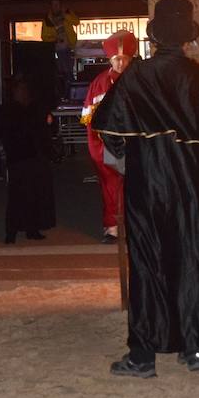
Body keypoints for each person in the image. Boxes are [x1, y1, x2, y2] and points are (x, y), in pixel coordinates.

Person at [92, 0, 199, 378]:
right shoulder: (198, 76)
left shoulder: (138, 76)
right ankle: (193, 350)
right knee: (190, 257)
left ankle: (143, 355)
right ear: (187, 36)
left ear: (155, 35)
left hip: (148, 181)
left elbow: (107, 127)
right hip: (188, 183)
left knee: (147, 263)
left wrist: (127, 149)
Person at [82, 30, 138, 243]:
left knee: (136, 187)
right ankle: (112, 227)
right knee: (111, 187)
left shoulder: (139, 79)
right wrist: (97, 147)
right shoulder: (99, 83)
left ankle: (135, 227)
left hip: (135, 144)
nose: (121, 64)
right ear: (110, 59)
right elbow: (89, 118)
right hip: (107, 146)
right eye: (117, 59)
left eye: (125, 59)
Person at [0, 79, 58, 244]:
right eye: (20, 89)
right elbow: (9, 134)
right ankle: (12, 231)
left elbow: (45, 129)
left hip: (35, 157)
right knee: (18, 196)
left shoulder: (35, 107)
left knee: (35, 194)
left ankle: (32, 228)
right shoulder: (10, 110)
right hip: (19, 158)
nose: (23, 92)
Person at [41, 0, 81, 89]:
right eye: (53, 5)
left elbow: (77, 22)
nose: (55, 7)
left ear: (61, 6)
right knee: (66, 70)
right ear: (50, 6)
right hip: (59, 48)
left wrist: (65, 15)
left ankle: (70, 85)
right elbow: (44, 36)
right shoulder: (47, 19)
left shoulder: (67, 13)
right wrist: (55, 39)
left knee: (69, 69)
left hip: (70, 46)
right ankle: (70, 86)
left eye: (57, 5)